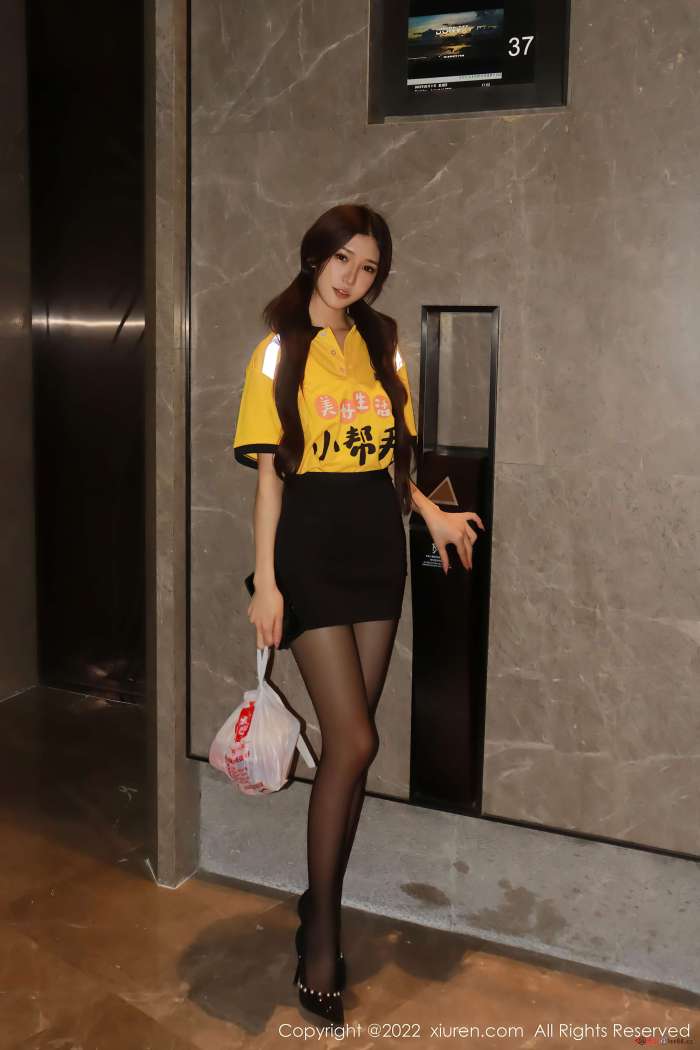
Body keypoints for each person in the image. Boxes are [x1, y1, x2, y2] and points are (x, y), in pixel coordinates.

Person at [232, 203, 484, 1026]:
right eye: (341, 259)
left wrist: (431, 515)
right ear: (315, 257)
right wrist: (268, 583)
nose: (352, 277)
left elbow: (389, 460)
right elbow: (270, 479)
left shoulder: (382, 344)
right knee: (356, 741)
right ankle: (321, 937)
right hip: (308, 551)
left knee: (352, 747)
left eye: (368, 267)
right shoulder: (279, 347)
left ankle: (318, 901)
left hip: (376, 550)